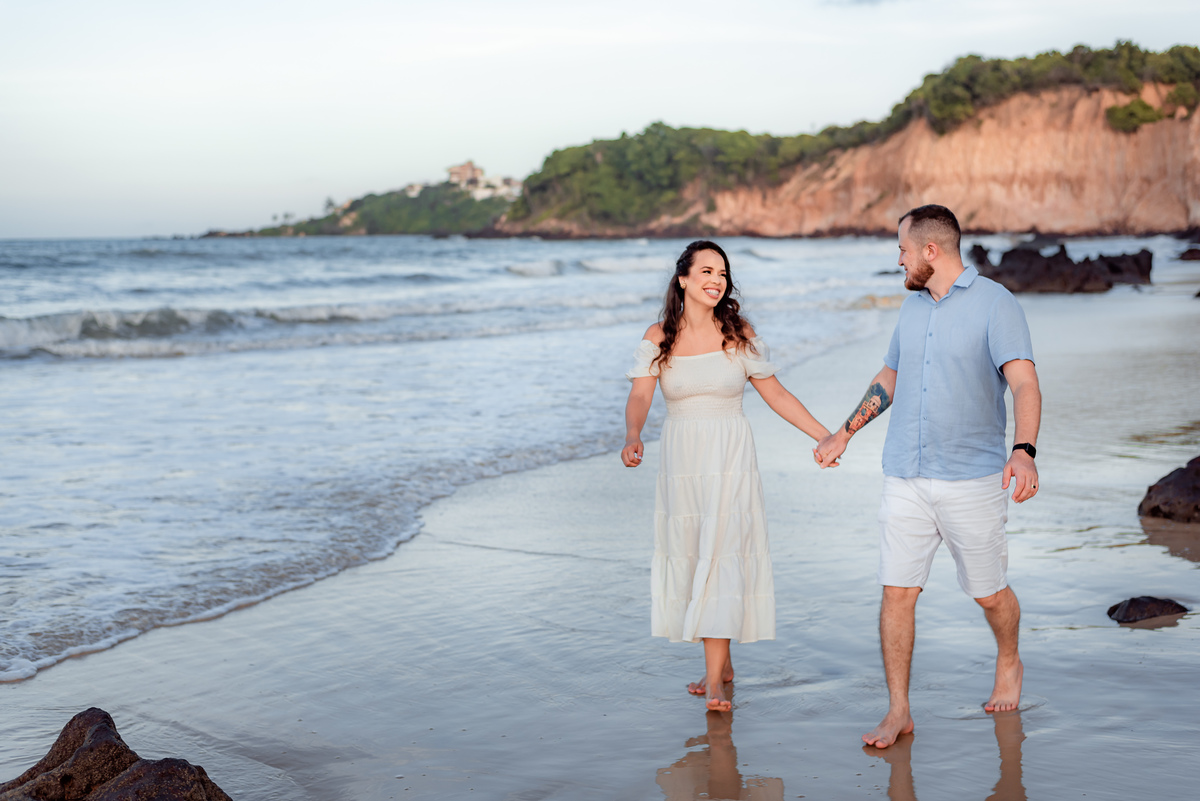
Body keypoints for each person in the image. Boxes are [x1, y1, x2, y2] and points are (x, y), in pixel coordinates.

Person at [814, 205, 1042, 748]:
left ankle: (1009, 658)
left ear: (930, 252)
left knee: (989, 594)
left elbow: (1025, 384)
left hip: (972, 478)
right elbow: (889, 377)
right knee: (897, 593)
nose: (899, 260)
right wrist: (844, 432)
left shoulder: (996, 304)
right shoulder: (912, 307)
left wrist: (1025, 451)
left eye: (903, 250)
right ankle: (899, 711)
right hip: (905, 475)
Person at [622, 240, 834, 712]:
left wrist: (825, 436)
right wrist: (633, 434)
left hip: (730, 456)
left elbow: (776, 394)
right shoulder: (659, 336)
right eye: (706, 271)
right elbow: (640, 396)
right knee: (699, 552)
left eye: (722, 273)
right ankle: (723, 664)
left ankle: (715, 682)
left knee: (721, 555)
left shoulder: (739, 334)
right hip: (682, 462)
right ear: (683, 279)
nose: (716, 279)